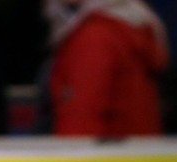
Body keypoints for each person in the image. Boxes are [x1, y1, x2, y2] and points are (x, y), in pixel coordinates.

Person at [42, 0, 168, 137]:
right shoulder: (127, 25)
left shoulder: (94, 38)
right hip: (134, 153)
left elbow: (79, 127)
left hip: (105, 154)